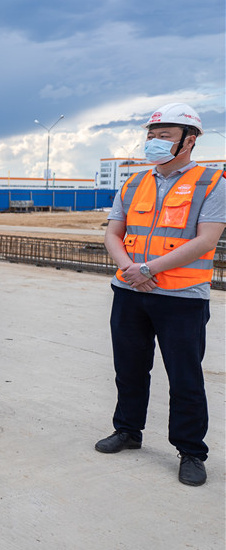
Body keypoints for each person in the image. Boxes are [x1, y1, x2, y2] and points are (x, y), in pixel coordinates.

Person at [97, 103, 225, 487]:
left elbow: (206, 239)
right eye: (151, 135)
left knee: (185, 377)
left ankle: (191, 451)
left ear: (190, 140)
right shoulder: (134, 183)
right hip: (129, 291)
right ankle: (127, 430)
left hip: (182, 297)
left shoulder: (212, 182)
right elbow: (113, 233)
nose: (153, 141)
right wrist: (130, 270)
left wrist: (149, 269)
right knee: (129, 368)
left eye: (164, 135)